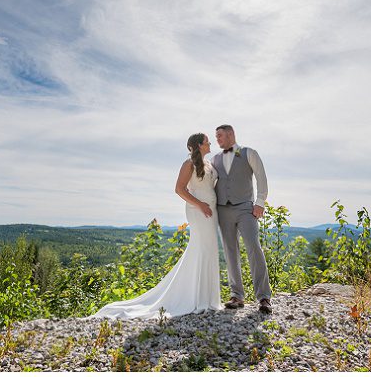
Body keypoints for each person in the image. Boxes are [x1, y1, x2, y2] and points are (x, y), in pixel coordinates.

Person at [90, 133, 223, 319]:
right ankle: (197, 300)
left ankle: (208, 298)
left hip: (211, 211)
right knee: (202, 249)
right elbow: (179, 189)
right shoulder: (188, 164)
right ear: (200, 144)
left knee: (209, 251)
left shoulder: (209, 164)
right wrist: (200, 204)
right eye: (207, 140)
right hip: (198, 210)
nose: (210, 143)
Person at [213, 124, 272, 314]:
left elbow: (261, 178)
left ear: (230, 134)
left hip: (246, 207)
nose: (217, 140)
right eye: (216, 137)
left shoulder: (249, 153)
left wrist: (260, 202)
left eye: (220, 136)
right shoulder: (214, 159)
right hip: (223, 209)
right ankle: (236, 295)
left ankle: (264, 297)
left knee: (253, 247)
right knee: (230, 252)